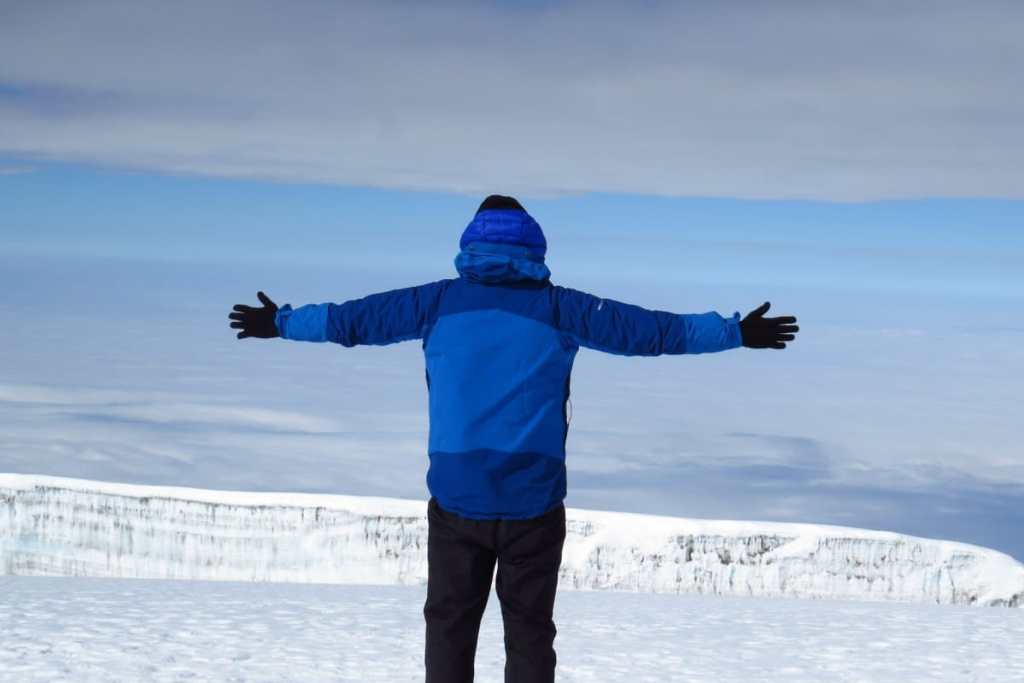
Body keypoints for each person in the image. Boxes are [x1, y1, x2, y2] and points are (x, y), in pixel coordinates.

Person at [228, 195, 799, 683]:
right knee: (529, 633)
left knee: (450, 626)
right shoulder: (562, 308)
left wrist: (279, 322)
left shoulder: (434, 303)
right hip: (534, 499)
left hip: (457, 497)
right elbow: (654, 332)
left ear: (469, 247)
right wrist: (736, 332)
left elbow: (351, 320)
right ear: (536, 248)